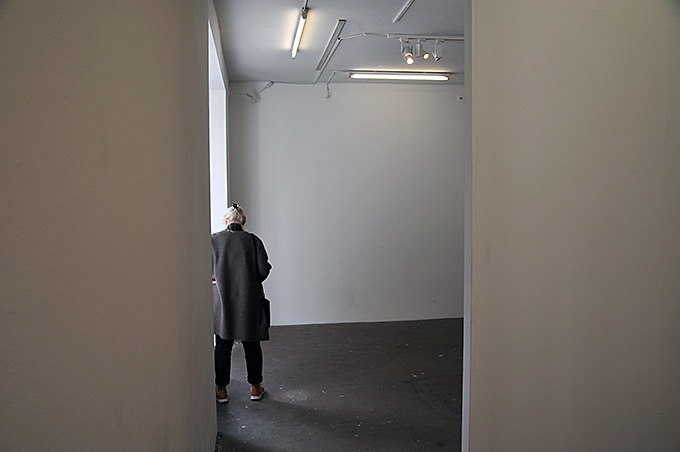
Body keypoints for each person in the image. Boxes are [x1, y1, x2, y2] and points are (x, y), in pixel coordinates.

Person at [211, 203, 271, 403]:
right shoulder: (253, 240)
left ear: (226, 221)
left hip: (222, 300)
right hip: (249, 300)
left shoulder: (213, 240)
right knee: (251, 345)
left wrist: (215, 278)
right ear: (243, 222)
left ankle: (221, 390)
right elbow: (263, 270)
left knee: (222, 346)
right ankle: (255, 388)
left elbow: (206, 268)